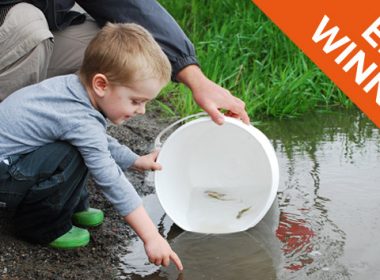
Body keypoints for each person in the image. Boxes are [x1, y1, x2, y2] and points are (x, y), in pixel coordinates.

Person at [0, 23, 183, 271]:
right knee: (70, 154)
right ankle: (43, 227)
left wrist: (134, 160)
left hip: (13, 162)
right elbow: (110, 177)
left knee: (78, 148)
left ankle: (73, 206)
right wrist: (151, 236)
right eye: (136, 101)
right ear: (101, 85)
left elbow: (99, 140)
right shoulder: (78, 117)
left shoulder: (73, 90)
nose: (142, 111)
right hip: (4, 177)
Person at [0, 0, 249, 125]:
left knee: (108, 49)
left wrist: (196, 79)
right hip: (19, 29)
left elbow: (129, 5)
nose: (140, 110)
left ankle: (58, 159)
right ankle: (11, 159)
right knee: (28, 26)